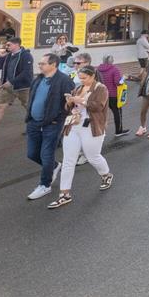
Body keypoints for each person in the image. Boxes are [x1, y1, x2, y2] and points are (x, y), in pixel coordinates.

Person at [48, 65, 114, 209]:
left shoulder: (101, 88)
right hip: (73, 126)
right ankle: (64, 194)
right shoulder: (78, 88)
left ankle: (106, 175)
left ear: (92, 76)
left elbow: (98, 106)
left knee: (93, 157)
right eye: (80, 78)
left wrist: (80, 101)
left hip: (92, 127)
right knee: (68, 160)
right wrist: (70, 102)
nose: (81, 80)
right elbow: (68, 108)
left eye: (84, 78)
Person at [24, 53, 75, 200]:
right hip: (33, 122)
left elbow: (70, 104)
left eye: (42, 63)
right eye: (39, 63)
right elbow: (32, 98)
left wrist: (57, 119)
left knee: (46, 155)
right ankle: (53, 166)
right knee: (32, 154)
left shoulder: (64, 80)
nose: (39, 65)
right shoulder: (38, 79)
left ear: (53, 65)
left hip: (51, 125)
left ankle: (44, 185)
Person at [97, 55, 128, 136]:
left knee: (102, 113)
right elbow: (118, 82)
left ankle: (99, 131)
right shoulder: (115, 69)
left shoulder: (98, 69)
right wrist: (124, 78)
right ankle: (118, 131)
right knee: (117, 112)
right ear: (112, 61)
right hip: (113, 94)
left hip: (102, 94)